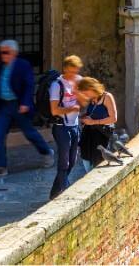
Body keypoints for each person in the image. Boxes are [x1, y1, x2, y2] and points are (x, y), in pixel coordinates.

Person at [0, 40, 53, 178]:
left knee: (30, 133)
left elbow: (29, 85)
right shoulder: (2, 65)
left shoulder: (23, 65)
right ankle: (0, 167)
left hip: (18, 105)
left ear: (14, 52)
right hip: (5, 105)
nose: (2, 55)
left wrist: (25, 103)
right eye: (1, 52)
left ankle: (46, 152)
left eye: (6, 52)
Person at [48, 56, 83, 198]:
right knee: (64, 161)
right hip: (61, 127)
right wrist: (71, 109)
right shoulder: (57, 85)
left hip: (75, 126)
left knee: (72, 161)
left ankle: (54, 192)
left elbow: (84, 99)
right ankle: (66, 193)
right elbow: (54, 110)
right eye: (71, 72)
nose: (73, 75)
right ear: (65, 69)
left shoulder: (79, 81)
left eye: (75, 72)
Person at [77, 77, 117, 170]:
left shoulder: (107, 97)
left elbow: (113, 118)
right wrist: (82, 117)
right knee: (86, 158)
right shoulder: (92, 99)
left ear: (91, 88)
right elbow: (92, 114)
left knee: (98, 162)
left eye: (85, 92)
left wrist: (93, 122)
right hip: (88, 136)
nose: (84, 95)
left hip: (101, 136)